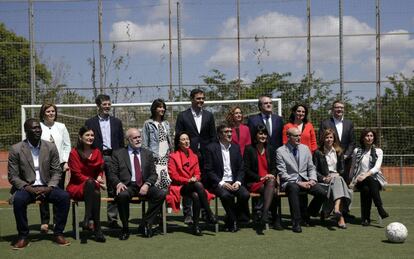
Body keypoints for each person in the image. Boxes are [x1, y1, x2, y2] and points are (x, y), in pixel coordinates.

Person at [8, 118, 70, 249]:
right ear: (26, 131)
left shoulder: (50, 147)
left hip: (47, 187)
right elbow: (12, 176)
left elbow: (57, 171)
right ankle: (23, 236)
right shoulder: (16, 149)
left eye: (39, 128)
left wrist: (50, 187)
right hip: (27, 188)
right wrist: (26, 187)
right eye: (34, 128)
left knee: (64, 197)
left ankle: (58, 233)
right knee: (18, 200)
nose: (37, 130)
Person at [108, 128, 167, 240]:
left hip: (144, 185)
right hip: (128, 185)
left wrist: (147, 184)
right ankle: (125, 228)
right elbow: (112, 174)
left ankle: (146, 223)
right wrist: (118, 183)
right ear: (128, 140)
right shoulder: (118, 154)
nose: (138, 139)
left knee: (161, 194)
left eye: (139, 137)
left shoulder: (147, 153)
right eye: (135, 138)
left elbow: (153, 174)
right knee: (122, 195)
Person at [175, 88, 216, 224]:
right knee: (189, 181)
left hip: (205, 155)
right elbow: (178, 136)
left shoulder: (209, 116)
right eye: (198, 98)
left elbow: (212, 136)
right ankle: (187, 214)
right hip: (188, 154)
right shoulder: (183, 116)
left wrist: (211, 152)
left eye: (203, 98)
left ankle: (205, 212)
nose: (201, 101)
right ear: (192, 99)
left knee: (204, 182)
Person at [276, 127, 327, 233]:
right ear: (288, 137)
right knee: (294, 188)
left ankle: (308, 213)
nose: (299, 138)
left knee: (322, 192)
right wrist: (298, 182)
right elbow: (282, 173)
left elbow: (311, 167)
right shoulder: (280, 151)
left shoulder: (305, 148)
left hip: (306, 179)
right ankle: (296, 222)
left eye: (300, 135)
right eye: (296, 136)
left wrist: (313, 179)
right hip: (289, 182)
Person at [168, 131, 218, 236]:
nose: (186, 141)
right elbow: (174, 176)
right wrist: (188, 180)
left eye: (187, 139)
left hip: (193, 185)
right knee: (198, 185)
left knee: (196, 195)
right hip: (180, 186)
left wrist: (195, 178)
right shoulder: (173, 156)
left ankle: (196, 226)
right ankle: (209, 213)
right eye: (183, 139)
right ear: (178, 143)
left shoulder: (194, 156)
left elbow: (198, 172)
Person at [85, 94, 124, 228]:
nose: (107, 106)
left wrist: (120, 157)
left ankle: (112, 219)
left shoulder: (117, 122)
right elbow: (86, 141)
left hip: (113, 157)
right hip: (96, 157)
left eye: (109, 104)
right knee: (92, 187)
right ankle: (90, 219)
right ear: (98, 106)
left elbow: (121, 142)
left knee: (114, 188)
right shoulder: (90, 123)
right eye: (104, 104)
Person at [204, 124, 250, 232]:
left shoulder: (235, 147)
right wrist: (222, 183)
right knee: (225, 195)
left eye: (230, 131)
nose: (229, 134)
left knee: (245, 195)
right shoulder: (211, 148)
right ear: (219, 134)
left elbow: (241, 168)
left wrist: (238, 182)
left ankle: (229, 217)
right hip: (219, 182)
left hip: (234, 181)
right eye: (226, 132)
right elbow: (208, 170)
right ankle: (233, 221)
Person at [66, 126, 106, 242]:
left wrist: (99, 176)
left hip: (92, 185)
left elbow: (100, 169)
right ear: (80, 137)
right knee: (93, 189)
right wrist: (93, 180)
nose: (90, 138)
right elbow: (76, 175)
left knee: (94, 190)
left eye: (92, 135)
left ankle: (87, 220)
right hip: (77, 185)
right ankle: (96, 228)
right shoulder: (74, 153)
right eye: (87, 135)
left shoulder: (97, 152)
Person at [38, 103, 71, 233]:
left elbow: (67, 145)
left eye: (53, 111)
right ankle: (45, 222)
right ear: (43, 113)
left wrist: (65, 161)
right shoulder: (38, 127)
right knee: (43, 191)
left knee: (58, 192)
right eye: (48, 111)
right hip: (43, 165)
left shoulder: (61, 127)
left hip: (59, 165)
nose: (51, 113)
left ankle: (57, 221)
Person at [244, 125, 282, 233]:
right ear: (255, 135)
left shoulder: (270, 148)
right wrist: (261, 177)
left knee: (271, 183)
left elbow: (274, 168)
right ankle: (274, 218)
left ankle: (264, 214)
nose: (263, 136)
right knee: (273, 191)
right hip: (255, 181)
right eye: (260, 133)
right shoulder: (249, 149)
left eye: (265, 133)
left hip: (268, 181)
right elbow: (246, 170)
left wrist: (270, 175)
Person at [313, 128, 352, 229]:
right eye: (327, 137)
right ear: (323, 139)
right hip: (325, 178)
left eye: (331, 137)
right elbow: (314, 170)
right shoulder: (318, 152)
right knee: (340, 185)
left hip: (337, 176)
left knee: (337, 180)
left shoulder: (339, 152)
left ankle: (333, 210)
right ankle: (339, 215)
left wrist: (336, 175)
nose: (329, 139)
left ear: (334, 139)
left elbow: (342, 170)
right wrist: (323, 178)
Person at [350, 128, 389, 226]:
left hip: (375, 180)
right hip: (359, 180)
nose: (369, 138)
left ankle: (365, 218)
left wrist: (366, 175)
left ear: (374, 138)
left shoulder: (378, 151)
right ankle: (380, 209)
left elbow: (376, 168)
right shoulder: (356, 151)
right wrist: (350, 180)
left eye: (371, 136)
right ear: (363, 138)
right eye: (367, 136)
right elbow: (353, 166)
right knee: (366, 184)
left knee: (367, 187)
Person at [319, 100, 355, 184]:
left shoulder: (349, 123)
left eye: (341, 107)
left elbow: (352, 142)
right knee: (330, 186)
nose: (339, 109)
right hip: (330, 160)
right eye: (337, 107)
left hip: (346, 160)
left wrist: (345, 155)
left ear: (344, 109)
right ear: (332, 109)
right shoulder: (325, 123)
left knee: (345, 185)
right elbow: (321, 140)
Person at [142, 99, 172, 190]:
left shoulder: (166, 123)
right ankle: (158, 204)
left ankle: (168, 203)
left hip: (166, 157)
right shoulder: (148, 123)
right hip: (155, 157)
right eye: (159, 107)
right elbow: (145, 143)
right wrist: (149, 156)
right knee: (157, 182)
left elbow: (169, 141)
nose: (162, 109)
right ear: (154, 109)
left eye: (163, 107)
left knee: (166, 182)